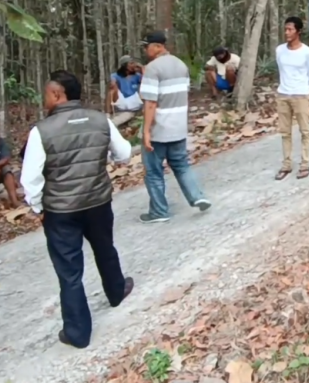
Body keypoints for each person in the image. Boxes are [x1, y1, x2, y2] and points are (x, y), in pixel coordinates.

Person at [20, 70, 135, 348]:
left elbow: (30, 179)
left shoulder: (41, 131)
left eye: (47, 93)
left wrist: (38, 208)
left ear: (58, 94)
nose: (44, 98)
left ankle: (78, 333)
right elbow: (124, 153)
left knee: (70, 272)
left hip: (61, 211)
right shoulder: (100, 119)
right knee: (105, 248)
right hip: (97, 202)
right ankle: (116, 292)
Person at [138, 31, 211, 223]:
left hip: (159, 128)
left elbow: (150, 102)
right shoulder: (181, 64)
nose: (145, 50)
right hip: (178, 125)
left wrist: (146, 131)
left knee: (153, 171)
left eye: (146, 46)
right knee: (181, 165)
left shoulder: (152, 68)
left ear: (156, 46)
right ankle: (197, 196)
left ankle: (159, 211)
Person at [274, 16, 309, 180]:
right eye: (285, 29)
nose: (287, 32)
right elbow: (281, 70)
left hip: (300, 94)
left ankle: (305, 163)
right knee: (285, 132)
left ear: (298, 31)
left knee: (304, 130)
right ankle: (286, 164)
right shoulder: (280, 50)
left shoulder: (307, 53)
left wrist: (302, 87)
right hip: (283, 94)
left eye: (290, 29)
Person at [105, 55, 143, 125]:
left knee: (145, 87)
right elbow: (112, 82)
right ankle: (108, 113)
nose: (134, 65)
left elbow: (147, 81)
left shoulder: (137, 76)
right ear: (125, 66)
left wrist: (141, 68)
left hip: (134, 102)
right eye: (131, 63)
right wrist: (113, 83)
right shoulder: (115, 75)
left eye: (134, 63)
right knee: (112, 89)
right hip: (122, 101)